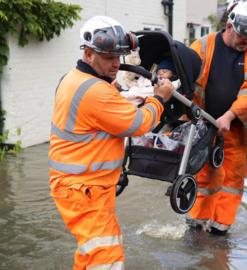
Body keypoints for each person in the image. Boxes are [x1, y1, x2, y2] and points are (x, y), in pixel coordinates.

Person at [48, 16, 173, 269]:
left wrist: (116, 90)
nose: (116, 64)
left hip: (81, 186)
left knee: (91, 253)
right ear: (89, 53)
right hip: (84, 188)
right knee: (107, 259)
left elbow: (101, 115)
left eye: (119, 57)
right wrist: (159, 98)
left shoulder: (74, 79)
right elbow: (139, 124)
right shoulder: (95, 91)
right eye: (108, 58)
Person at [186, 0, 247, 235]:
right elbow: (185, 73)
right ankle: (197, 222)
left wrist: (229, 116)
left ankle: (220, 229)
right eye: (243, 36)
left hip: (236, 129)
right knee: (203, 174)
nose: (246, 41)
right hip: (203, 124)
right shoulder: (203, 45)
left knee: (233, 178)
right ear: (229, 26)